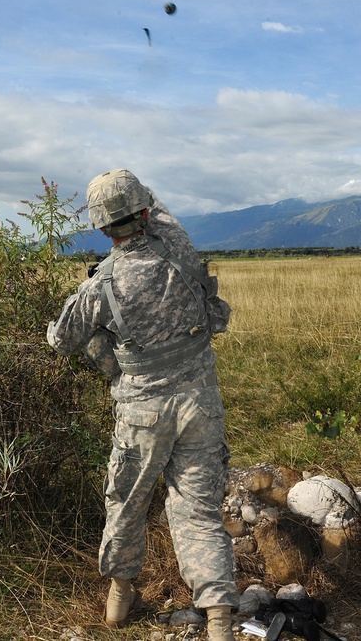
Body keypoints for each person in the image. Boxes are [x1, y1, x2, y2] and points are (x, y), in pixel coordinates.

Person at [46, 169, 238, 640]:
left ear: (101, 227)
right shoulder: (179, 246)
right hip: (200, 402)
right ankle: (218, 619)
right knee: (198, 510)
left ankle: (119, 598)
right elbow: (156, 206)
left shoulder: (100, 286)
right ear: (147, 212)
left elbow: (62, 341)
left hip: (141, 410)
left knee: (127, 503)